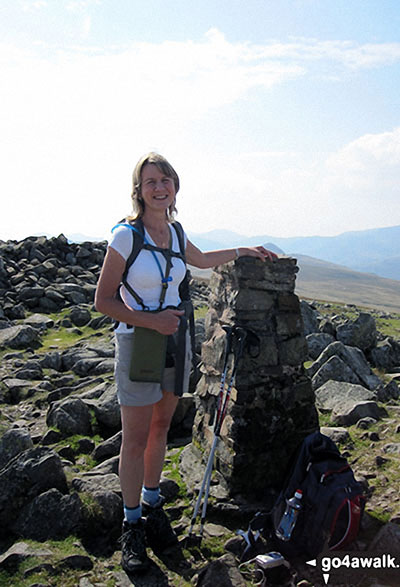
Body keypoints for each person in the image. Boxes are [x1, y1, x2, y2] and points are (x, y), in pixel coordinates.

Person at [94, 152, 276, 572]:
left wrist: (243, 251)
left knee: (162, 425)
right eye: (150, 181)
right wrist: (150, 321)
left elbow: (200, 259)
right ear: (138, 190)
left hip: (175, 338)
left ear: (175, 186)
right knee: (135, 438)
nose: (159, 188)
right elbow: (103, 300)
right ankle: (132, 524)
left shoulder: (175, 232)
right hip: (138, 342)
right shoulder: (125, 236)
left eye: (165, 180)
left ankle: (153, 504)